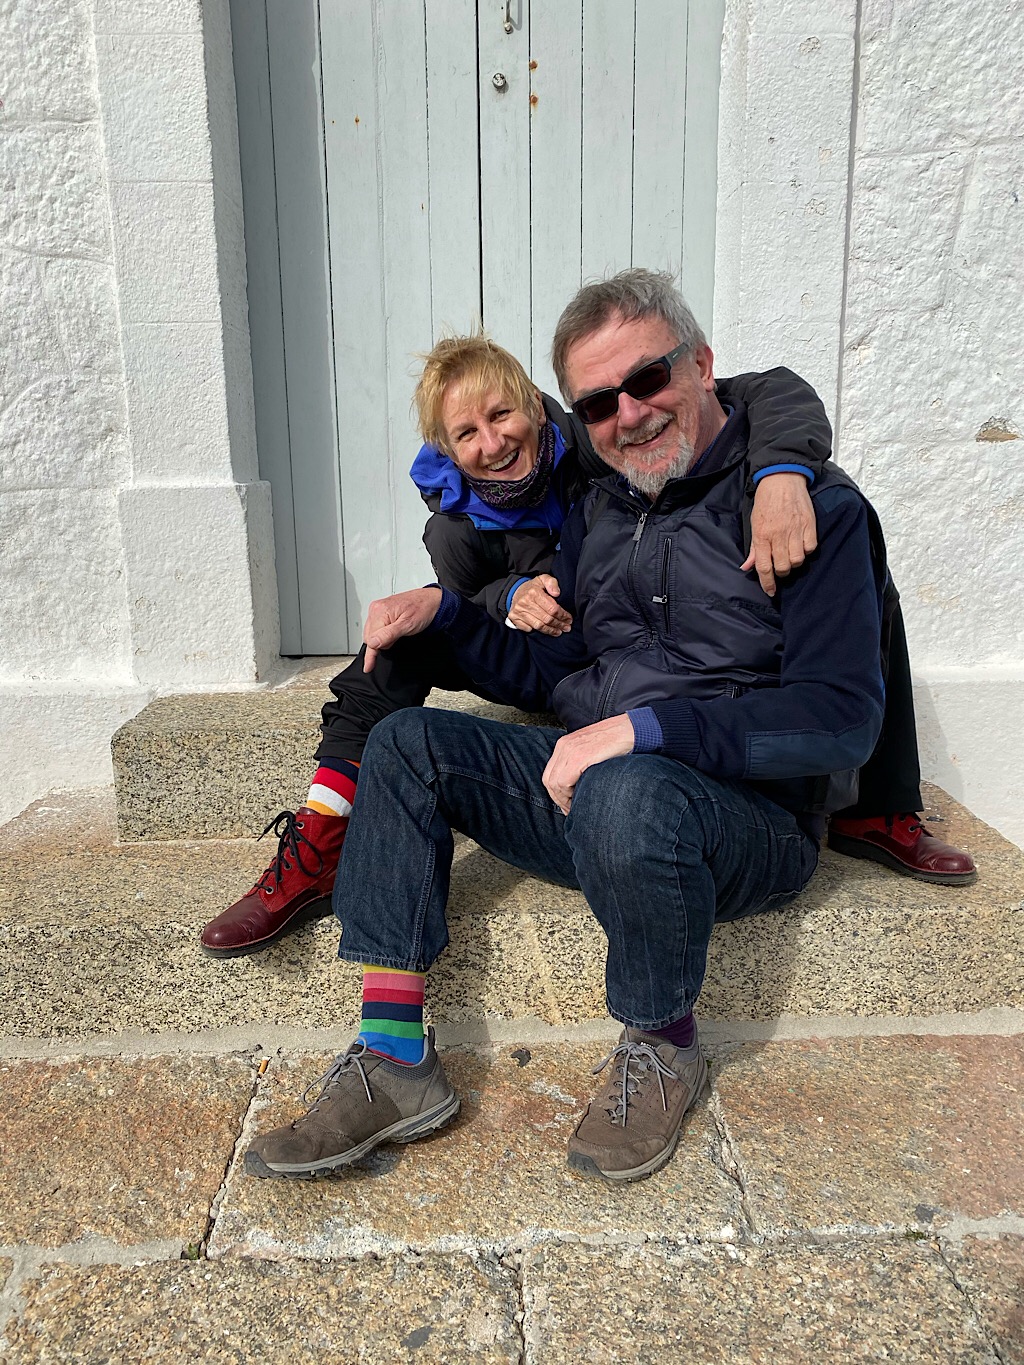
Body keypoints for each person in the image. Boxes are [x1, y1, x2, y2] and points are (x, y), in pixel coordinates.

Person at [244, 269, 895, 1184]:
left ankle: (662, 1044)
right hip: (596, 797)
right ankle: (393, 1057)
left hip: (749, 822)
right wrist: (449, 612)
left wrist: (647, 730)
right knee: (407, 744)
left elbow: (840, 722)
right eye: (597, 403)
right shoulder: (600, 511)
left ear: (702, 365)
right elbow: (558, 672)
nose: (628, 414)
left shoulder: (807, 509)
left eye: (648, 379)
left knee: (629, 786)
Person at [200, 337, 856, 956]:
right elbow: (477, 601)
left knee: (840, 549)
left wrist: (781, 474)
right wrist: (498, 595)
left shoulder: (599, 432)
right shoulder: (454, 529)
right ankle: (323, 833)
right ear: (447, 449)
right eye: (466, 433)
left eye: (501, 414)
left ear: (536, 406)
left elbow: (761, 391)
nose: (492, 443)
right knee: (401, 635)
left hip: (624, 663)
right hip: (548, 658)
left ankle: (882, 804)